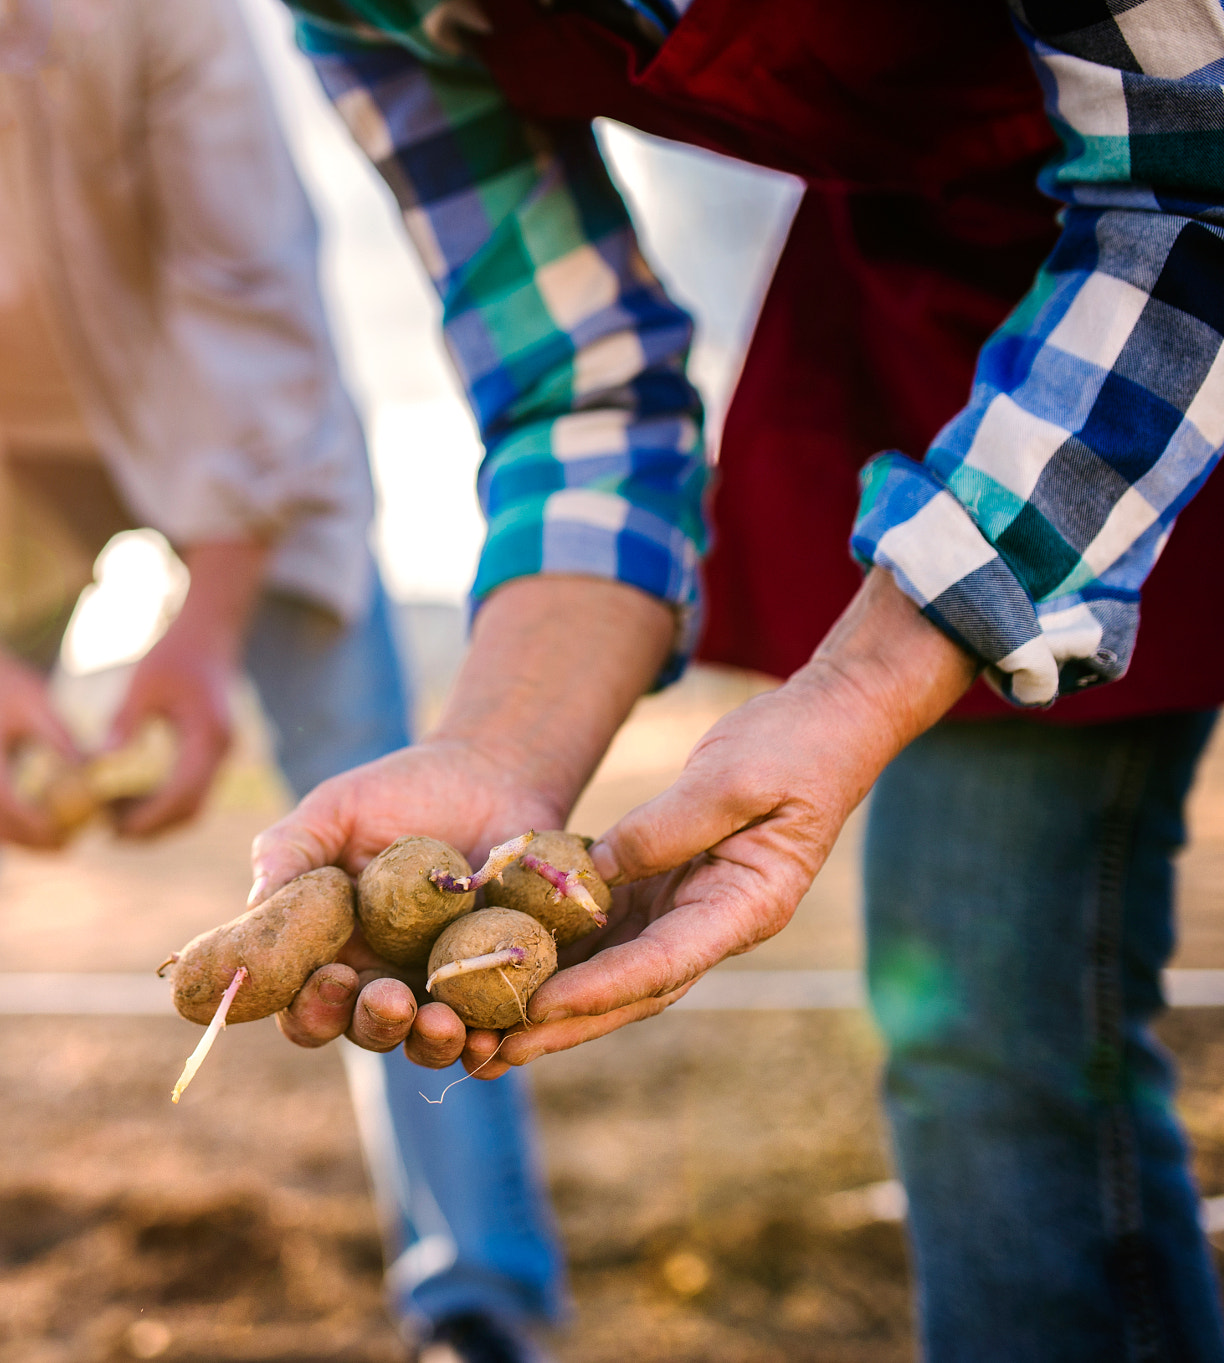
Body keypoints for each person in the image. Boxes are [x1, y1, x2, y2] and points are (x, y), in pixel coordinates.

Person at [251, 0, 1224, 1358]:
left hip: (1172, 253)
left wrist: (857, 690)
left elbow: (1198, 183)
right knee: (989, 1023)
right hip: (980, 308)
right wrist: (498, 753)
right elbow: (576, 388)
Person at [0, 1, 568, 1359]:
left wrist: (204, 635)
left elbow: (253, 315)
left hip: (250, 455)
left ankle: (479, 1299)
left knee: (404, 864)